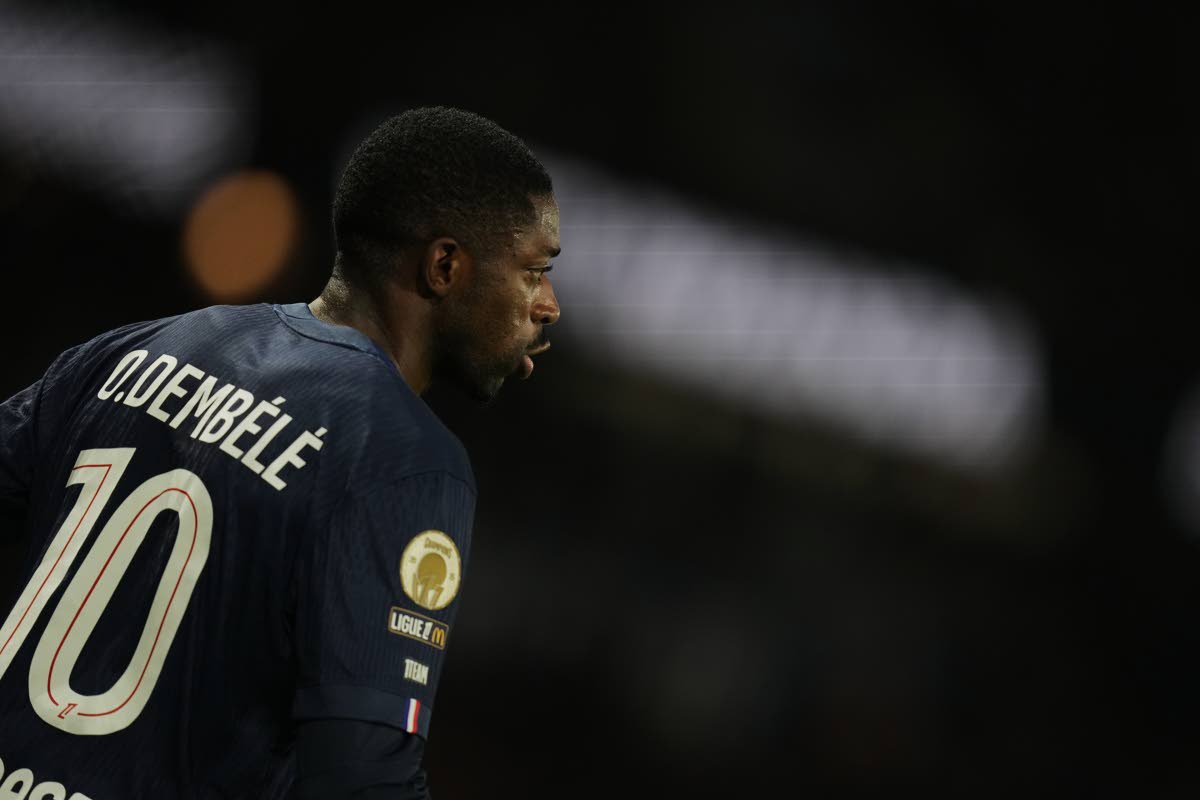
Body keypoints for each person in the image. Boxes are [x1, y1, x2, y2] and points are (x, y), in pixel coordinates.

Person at [0, 106, 561, 799]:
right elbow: (358, 780)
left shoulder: (137, 347)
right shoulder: (404, 460)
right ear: (444, 265)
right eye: (534, 271)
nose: (549, 305)